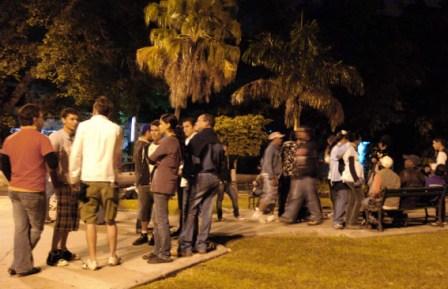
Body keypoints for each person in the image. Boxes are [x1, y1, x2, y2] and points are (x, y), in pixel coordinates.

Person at [1, 103, 61, 276]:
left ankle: (17, 263)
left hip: (14, 190)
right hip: (33, 190)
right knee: (36, 228)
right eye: (42, 117)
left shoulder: (10, 139)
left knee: (20, 229)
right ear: (35, 119)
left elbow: (4, 163)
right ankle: (22, 265)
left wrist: (14, 179)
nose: (43, 121)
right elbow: (53, 163)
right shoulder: (41, 139)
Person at [69, 96, 123, 270]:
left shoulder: (83, 127)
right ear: (109, 111)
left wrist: (73, 177)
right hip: (108, 178)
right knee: (110, 220)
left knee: (90, 221)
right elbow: (117, 156)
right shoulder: (116, 128)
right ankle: (112, 256)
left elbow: (76, 154)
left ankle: (92, 259)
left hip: (88, 178)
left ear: (94, 109)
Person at [179, 113, 224, 256]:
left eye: (198, 121)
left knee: (191, 210)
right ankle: (202, 245)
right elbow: (223, 162)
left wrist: (187, 174)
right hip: (214, 177)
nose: (196, 124)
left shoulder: (199, 138)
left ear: (206, 122)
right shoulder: (217, 140)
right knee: (207, 212)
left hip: (201, 176)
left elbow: (191, 159)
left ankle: (186, 246)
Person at [144, 114, 182, 263]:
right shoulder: (172, 141)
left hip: (163, 183)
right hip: (161, 182)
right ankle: (157, 250)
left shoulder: (169, 141)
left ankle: (164, 253)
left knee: (161, 220)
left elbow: (151, 158)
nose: (158, 127)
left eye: (160, 124)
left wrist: (158, 160)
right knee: (157, 219)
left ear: (167, 125)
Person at [46, 108, 81, 266]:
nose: (75, 122)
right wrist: (55, 181)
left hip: (74, 182)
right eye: (72, 119)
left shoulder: (77, 137)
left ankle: (63, 248)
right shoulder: (56, 137)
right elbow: (50, 162)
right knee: (61, 218)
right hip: (62, 182)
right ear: (63, 120)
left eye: (76, 119)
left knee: (70, 219)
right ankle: (53, 252)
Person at [280, 127, 322, 225]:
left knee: (311, 197)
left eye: (300, 132)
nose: (297, 134)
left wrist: (312, 173)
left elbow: (314, 162)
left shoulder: (312, 145)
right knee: (295, 196)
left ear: (307, 133)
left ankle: (316, 216)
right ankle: (289, 216)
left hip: (308, 176)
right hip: (298, 175)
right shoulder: (299, 145)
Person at [133, 121, 161, 246]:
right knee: (145, 209)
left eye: (156, 130)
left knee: (153, 210)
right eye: (152, 131)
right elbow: (141, 165)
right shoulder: (144, 146)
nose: (154, 133)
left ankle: (153, 234)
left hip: (153, 182)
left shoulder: (159, 145)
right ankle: (144, 233)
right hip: (145, 182)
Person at [252, 131, 284, 223]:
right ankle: (258, 212)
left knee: (273, 196)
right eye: (279, 138)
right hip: (269, 175)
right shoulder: (270, 149)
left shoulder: (275, 149)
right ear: (274, 139)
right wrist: (272, 176)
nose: (281, 140)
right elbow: (267, 163)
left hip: (273, 175)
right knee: (268, 195)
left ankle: (270, 215)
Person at [341, 132, 365, 229]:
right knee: (359, 199)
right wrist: (356, 179)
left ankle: (348, 220)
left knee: (352, 200)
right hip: (351, 178)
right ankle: (352, 222)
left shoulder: (352, 149)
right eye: (360, 139)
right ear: (356, 140)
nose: (360, 141)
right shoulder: (350, 149)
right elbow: (351, 166)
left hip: (351, 178)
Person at [328, 130, 350, 229]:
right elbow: (343, 152)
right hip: (339, 178)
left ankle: (338, 219)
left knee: (339, 200)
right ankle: (338, 221)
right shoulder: (338, 148)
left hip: (336, 177)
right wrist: (350, 144)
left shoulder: (336, 147)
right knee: (342, 199)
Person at [216, 144, 241, 221]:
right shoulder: (218, 158)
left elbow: (232, 170)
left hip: (228, 183)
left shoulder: (229, 158)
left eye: (225, 147)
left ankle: (236, 215)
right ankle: (219, 216)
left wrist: (234, 182)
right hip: (221, 182)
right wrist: (218, 180)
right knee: (220, 199)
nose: (224, 148)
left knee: (234, 198)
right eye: (223, 147)